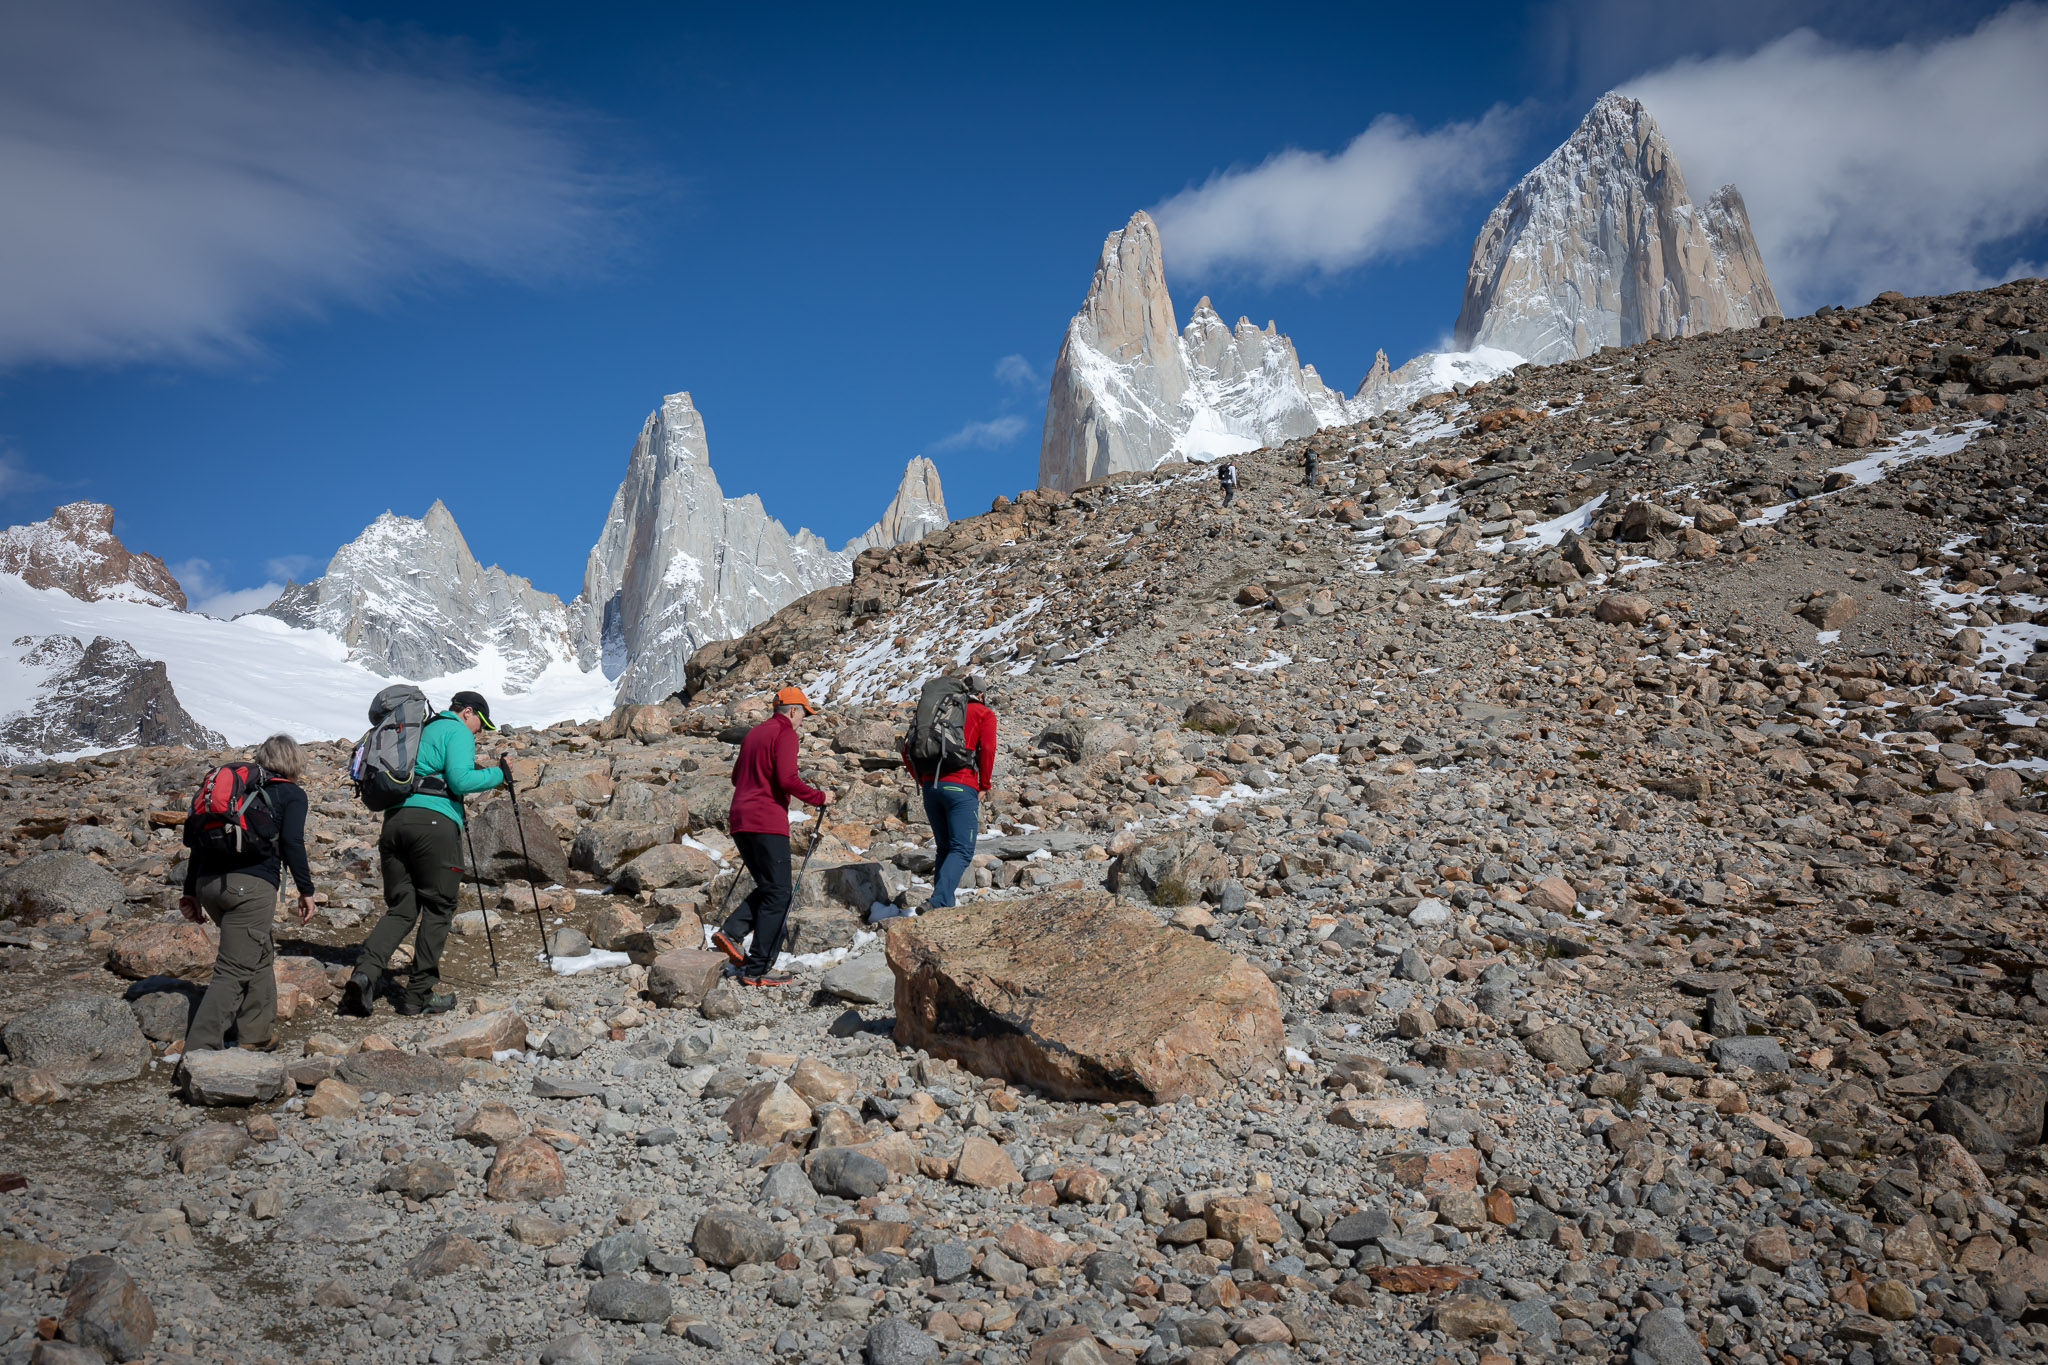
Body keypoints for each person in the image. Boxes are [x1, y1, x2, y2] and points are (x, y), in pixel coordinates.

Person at [341, 690, 507, 1017]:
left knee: (402, 909)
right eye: (480, 724)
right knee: (439, 906)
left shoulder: (420, 730)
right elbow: (460, 782)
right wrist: (499, 773)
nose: (480, 731)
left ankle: (364, 975)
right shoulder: (456, 730)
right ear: (467, 712)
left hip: (395, 823)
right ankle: (418, 995)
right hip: (434, 825)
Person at [180, 735, 317, 1052]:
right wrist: (306, 890)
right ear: (295, 762)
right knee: (232, 970)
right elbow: (293, 843)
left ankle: (256, 1034)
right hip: (251, 888)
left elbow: (200, 841)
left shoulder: (234, 790)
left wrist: (191, 892)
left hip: (209, 884)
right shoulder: (291, 794)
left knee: (260, 951)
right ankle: (198, 1052)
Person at [711, 686, 833, 987]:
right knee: (779, 893)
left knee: (770, 887)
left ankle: (731, 933)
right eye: (803, 713)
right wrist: (820, 797)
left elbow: (737, 777)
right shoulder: (786, 734)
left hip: (740, 819)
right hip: (767, 821)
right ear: (792, 710)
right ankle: (758, 968)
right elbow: (787, 779)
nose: (803, 720)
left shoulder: (754, 734)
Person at [901, 673, 997, 910]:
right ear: (982, 694)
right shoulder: (983, 713)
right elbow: (987, 748)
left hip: (931, 787)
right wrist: (984, 785)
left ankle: (942, 904)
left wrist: (922, 779)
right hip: (961, 785)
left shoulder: (936, 712)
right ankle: (940, 899)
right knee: (962, 849)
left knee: (945, 848)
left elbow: (906, 748)